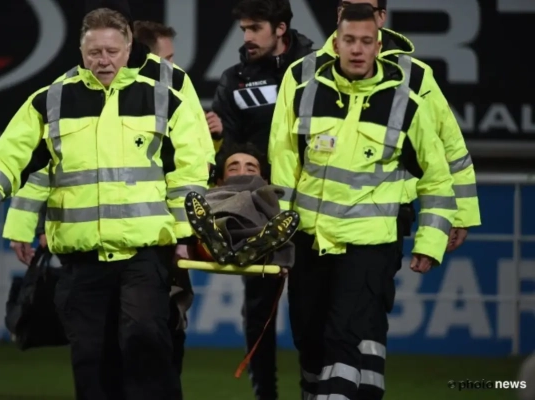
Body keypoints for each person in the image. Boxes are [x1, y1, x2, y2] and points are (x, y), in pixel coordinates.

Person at [0, 7, 210, 400]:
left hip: (144, 254)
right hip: (81, 260)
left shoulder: (166, 99)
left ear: (129, 50)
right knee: (91, 359)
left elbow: (190, 172)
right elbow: (11, 156)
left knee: (145, 340)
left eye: (112, 51)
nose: (103, 60)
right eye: (95, 52)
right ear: (81, 52)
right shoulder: (51, 100)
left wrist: (184, 236)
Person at [278, 3, 481, 396]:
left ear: (380, 30)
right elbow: (284, 158)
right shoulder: (302, 78)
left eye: (366, 40)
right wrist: (280, 231)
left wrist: (444, 229)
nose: (357, 48)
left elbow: (446, 158)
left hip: (375, 233)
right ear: (337, 36)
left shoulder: (411, 87)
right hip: (311, 236)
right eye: (349, 39)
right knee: (310, 334)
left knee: (349, 332)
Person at [209, 1, 313, 398]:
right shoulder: (235, 80)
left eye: (255, 28)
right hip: (260, 213)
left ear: (280, 28)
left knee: (312, 308)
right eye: (244, 29)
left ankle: (317, 387)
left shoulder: (316, 70)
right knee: (259, 311)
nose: (247, 37)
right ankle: (264, 394)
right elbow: (229, 156)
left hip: (313, 209)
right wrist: (221, 138)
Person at [187, 142, 298, 268]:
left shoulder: (267, 195)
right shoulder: (207, 197)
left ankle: (253, 246)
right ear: (219, 181)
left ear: (265, 180)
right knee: (208, 226)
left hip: (256, 235)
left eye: (250, 169)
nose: (242, 173)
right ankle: (216, 241)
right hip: (216, 236)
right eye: (233, 169)